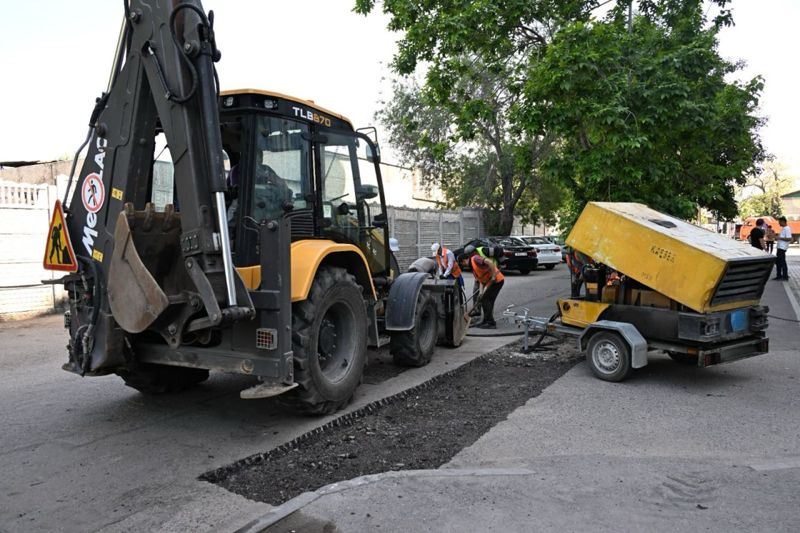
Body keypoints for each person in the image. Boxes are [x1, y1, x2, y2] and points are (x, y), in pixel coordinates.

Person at [467, 245, 505, 329]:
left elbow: (490, 262)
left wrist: (494, 276)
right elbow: (481, 280)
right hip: (491, 281)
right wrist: (481, 292)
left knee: (487, 300)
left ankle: (491, 323)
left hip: (497, 280)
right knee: (484, 299)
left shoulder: (475, 258)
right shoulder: (473, 266)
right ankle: (486, 321)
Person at [774, 216, 792, 280]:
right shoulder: (783, 228)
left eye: (779, 222)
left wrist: (779, 238)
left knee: (782, 262)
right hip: (779, 247)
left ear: (783, 222)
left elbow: (789, 238)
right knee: (778, 262)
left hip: (782, 248)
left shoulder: (787, 229)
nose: (779, 223)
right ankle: (779, 275)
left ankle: (785, 276)